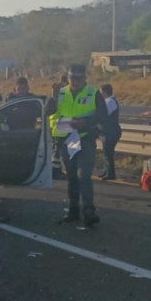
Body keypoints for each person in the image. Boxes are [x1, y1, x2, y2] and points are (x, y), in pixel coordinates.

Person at [49, 63, 106, 226]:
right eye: (73, 78)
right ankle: (73, 210)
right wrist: (51, 98)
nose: (75, 81)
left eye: (79, 78)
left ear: (84, 78)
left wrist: (86, 122)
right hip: (66, 140)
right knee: (72, 177)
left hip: (85, 139)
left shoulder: (93, 93)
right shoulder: (60, 93)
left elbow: (103, 116)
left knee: (84, 175)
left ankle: (88, 210)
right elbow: (49, 113)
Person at [99, 83, 122, 180]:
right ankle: (107, 171)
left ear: (105, 92)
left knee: (108, 153)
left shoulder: (109, 102)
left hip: (111, 131)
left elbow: (104, 115)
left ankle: (110, 173)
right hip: (109, 131)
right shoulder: (110, 101)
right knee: (106, 152)